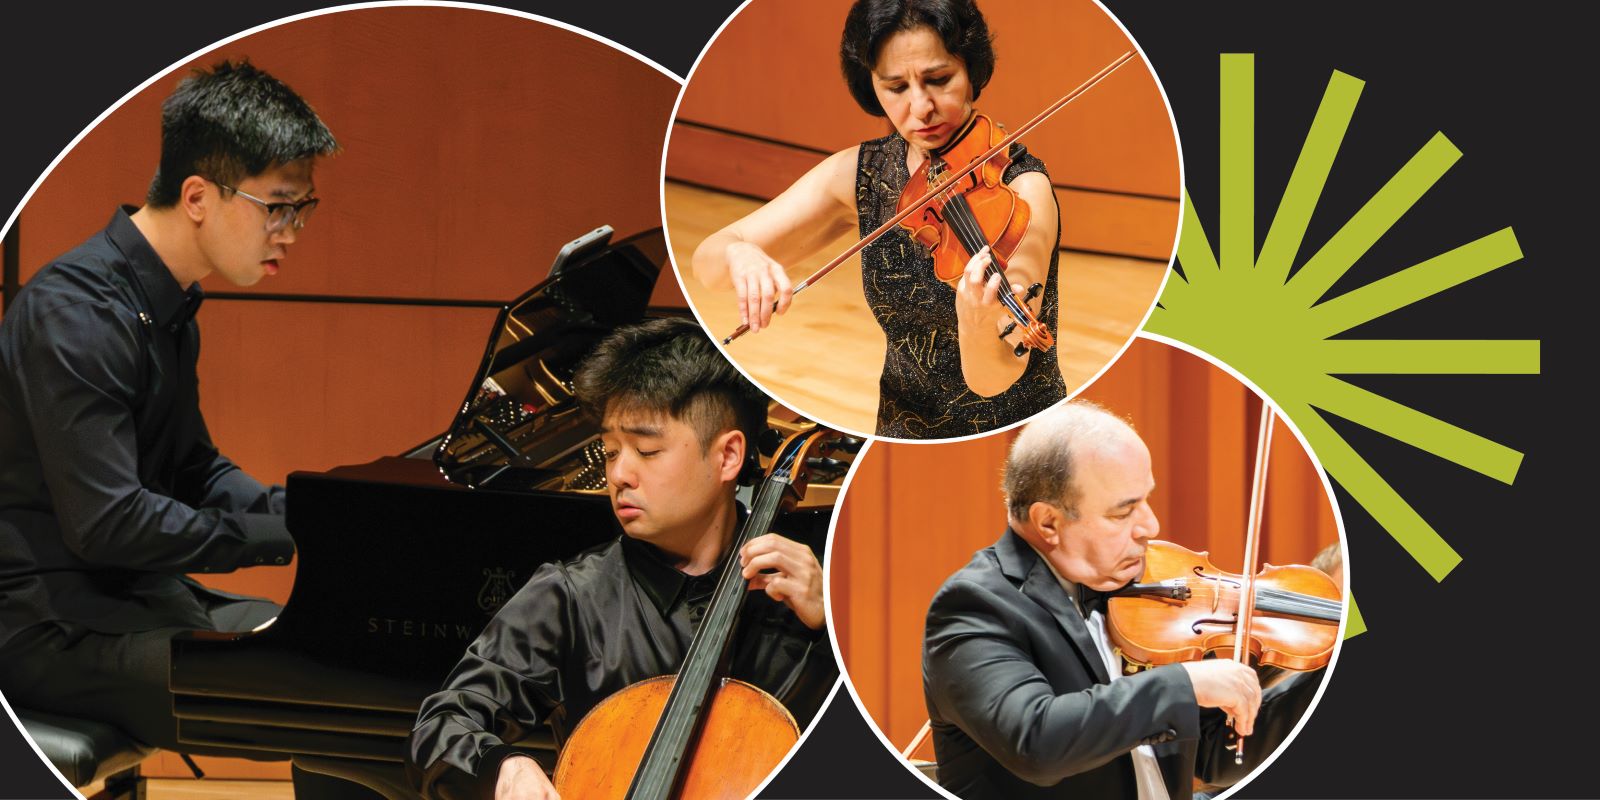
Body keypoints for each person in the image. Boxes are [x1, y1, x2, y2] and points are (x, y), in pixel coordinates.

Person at [0, 60, 343, 788]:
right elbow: (110, 523)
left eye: (303, 208)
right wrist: (294, 533)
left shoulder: (167, 304)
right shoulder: (77, 315)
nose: (292, 231)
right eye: (277, 206)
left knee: (356, 662)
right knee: (340, 699)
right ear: (197, 196)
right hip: (44, 628)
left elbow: (194, 467)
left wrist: (311, 509)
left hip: (132, 603)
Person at [407, 318, 839, 800]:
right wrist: (504, 768)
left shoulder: (812, 593)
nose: (620, 474)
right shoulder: (571, 596)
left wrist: (839, 631)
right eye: (611, 451)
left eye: (647, 450)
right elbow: (443, 725)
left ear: (728, 457)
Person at [690, 0, 1066, 439]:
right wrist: (741, 255)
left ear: (971, 70)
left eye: (939, 80)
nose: (921, 108)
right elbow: (708, 267)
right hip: (897, 432)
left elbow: (996, 378)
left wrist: (978, 321)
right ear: (872, 86)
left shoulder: (1021, 190)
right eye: (895, 88)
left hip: (1014, 438)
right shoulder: (865, 174)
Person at [922, 401, 1325, 798]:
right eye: (1123, 513)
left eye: (1146, 500)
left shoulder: (1150, 595)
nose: (1151, 525)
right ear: (1049, 522)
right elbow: (1035, 740)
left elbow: (1214, 754)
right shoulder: (976, 605)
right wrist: (1181, 684)